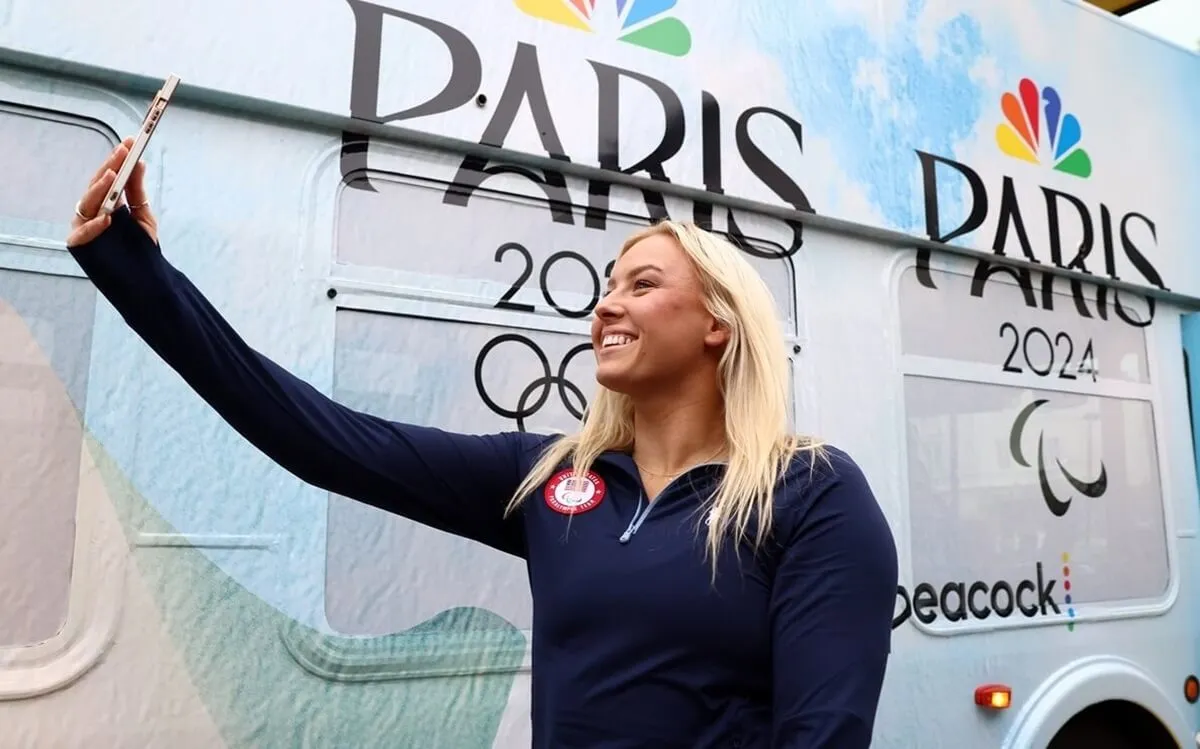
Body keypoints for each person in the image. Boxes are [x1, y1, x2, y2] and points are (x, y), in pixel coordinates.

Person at [68, 138, 899, 748]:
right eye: (607, 287)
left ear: (720, 323)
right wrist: (137, 272)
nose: (606, 306)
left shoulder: (811, 493)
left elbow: (821, 734)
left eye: (642, 285)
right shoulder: (551, 478)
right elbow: (321, 440)